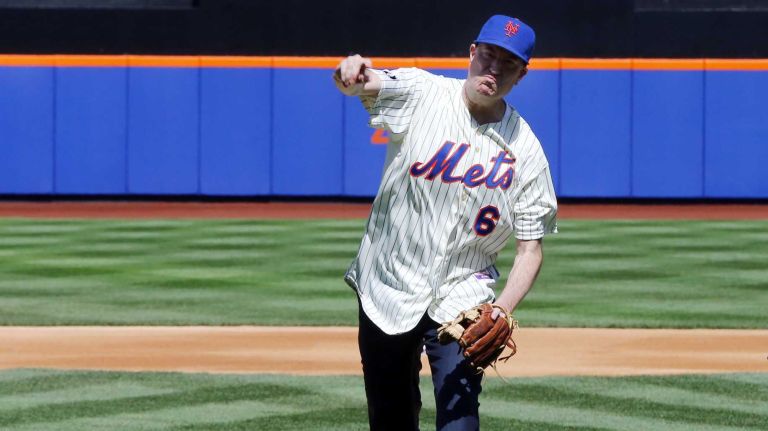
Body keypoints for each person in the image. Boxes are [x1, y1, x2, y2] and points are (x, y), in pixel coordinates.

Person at [333, 14, 558, 431]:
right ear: (472, 53)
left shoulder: (526, 151)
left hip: (462, 296)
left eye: (507, 63)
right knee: (391, 418)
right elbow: (367, 81)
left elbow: (531, 249)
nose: (493, 68)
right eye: (488, 55)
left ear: (521, 74)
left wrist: (502, 310)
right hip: (389, 283)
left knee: (460, 421)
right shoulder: (423, 92)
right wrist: (352, 71)